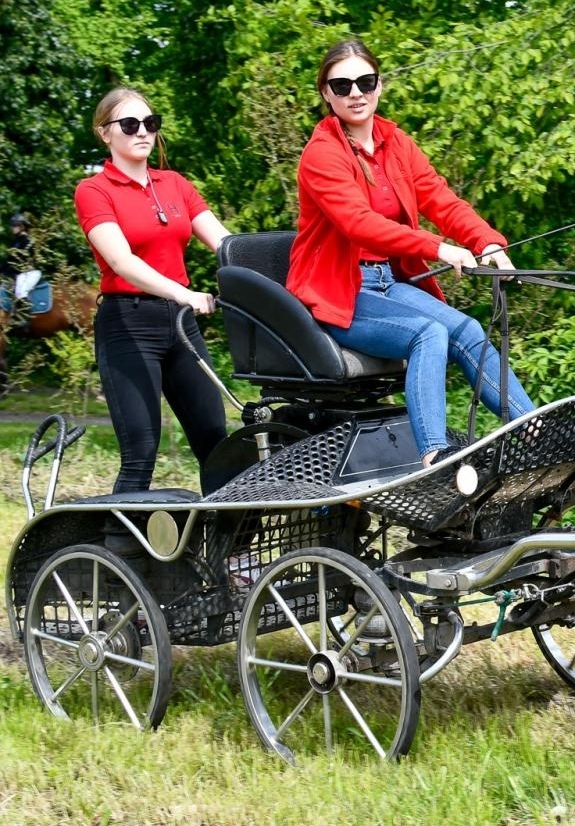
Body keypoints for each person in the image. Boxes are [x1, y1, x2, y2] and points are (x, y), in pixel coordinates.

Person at [288, 38, 535, 467]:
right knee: (428, 333)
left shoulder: (394, 142)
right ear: (326, 93)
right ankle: (435, 455)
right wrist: (438, 248)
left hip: (389, 282)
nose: (355, 94)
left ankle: (535, 433)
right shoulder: (321, 155)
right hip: (341, 292)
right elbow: (358, 222)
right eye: (342, 85)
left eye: (365, 81)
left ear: (379, 84)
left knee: (468, 331)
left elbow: (440, 199)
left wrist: (486, 242)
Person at [75, 88, 230, 492]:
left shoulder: (175, 184)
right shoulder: (94, 191)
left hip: (180, 326)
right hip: (128, 323)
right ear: (104, 133)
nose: (143, 132)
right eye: (129, 125)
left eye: (150, 123)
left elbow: (227, 244)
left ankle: (228, 553)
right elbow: (122, 261)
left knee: (217, 442)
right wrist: (184, 294)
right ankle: (117, 548)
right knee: (142, 450)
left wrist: (270, 276)